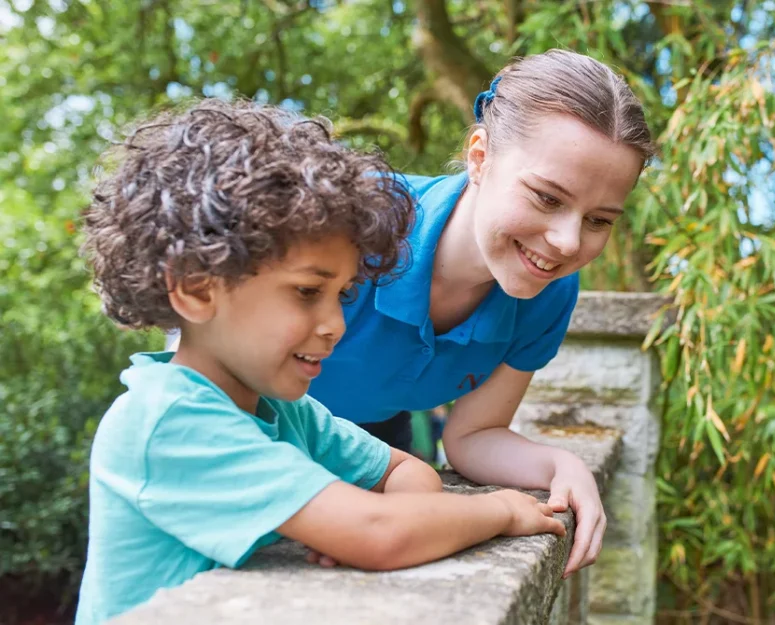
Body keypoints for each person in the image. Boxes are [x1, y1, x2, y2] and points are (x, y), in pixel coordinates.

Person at [75, 100, 565, 625]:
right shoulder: (167, 421)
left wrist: (354, 525)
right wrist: (501, 510)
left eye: (344, 292)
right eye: (308, 292)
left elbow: (409, 473)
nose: (336, 323)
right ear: (196, 288)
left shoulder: (287, 413)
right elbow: (381, 534)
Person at [306, 49, 656, 578]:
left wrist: (562, 464)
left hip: (377, 448)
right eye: (546, 198)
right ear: (479, 155)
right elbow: (217, 364)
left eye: (600, 220)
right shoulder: (350, 222)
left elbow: (472, 435)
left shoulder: (551, 291)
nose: (566, 242)